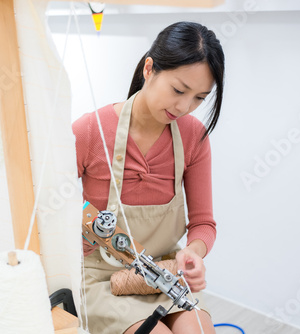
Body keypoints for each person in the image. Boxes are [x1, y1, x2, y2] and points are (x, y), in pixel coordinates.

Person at [72, 21, 225, 334]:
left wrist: (192, 254)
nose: (184, 107)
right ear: (149, 69)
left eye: (199, 98)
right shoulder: (90, 131)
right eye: (178, 90)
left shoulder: (194, 137)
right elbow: (49, 203)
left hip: (166, 272)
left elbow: (203, 224)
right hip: (103, 277)